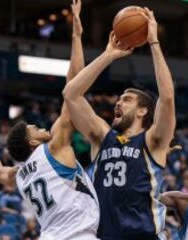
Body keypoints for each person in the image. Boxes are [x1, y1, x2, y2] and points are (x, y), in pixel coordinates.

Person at [0, 1, 99, 239]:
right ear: (31, 142)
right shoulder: (55, 147)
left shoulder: (19, 174)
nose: (40, 127)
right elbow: (73, 90)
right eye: (34, 129)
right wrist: (77, 36)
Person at [63, 7, 175, 240]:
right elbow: (71, 94)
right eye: (119, 98)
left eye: (127, 100)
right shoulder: (101, 136)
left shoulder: (153, 141)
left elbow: (167, 98)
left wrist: (153, 42)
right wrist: (109, 55)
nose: (118, 103)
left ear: (143, 111)